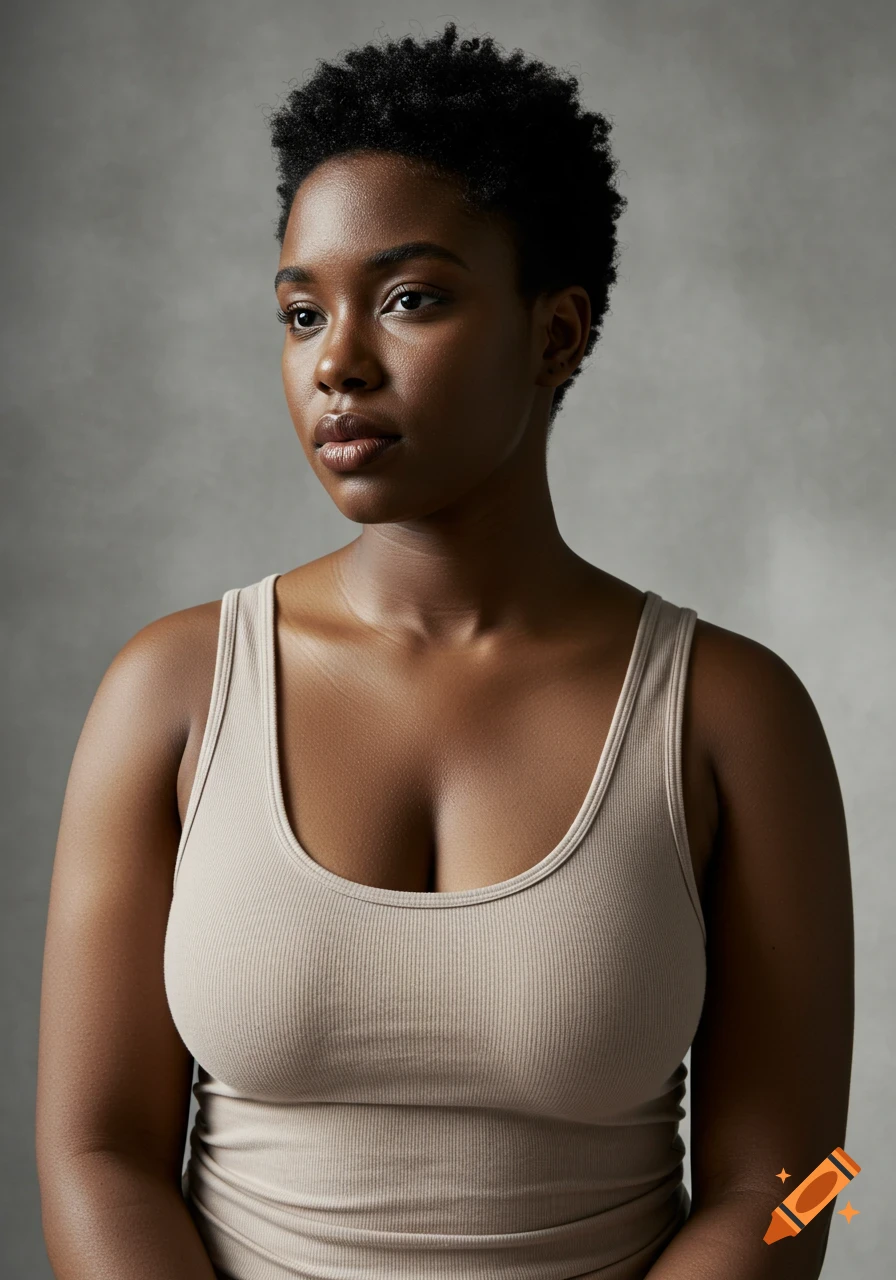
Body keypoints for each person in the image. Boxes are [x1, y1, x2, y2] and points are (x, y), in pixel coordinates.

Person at [35, 21, 854, 1280]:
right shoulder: (171, 688)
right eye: (301, 311)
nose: (336, 364)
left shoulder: (734, 714)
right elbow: (87, 1151)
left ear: (556, 333)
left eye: (409, 298)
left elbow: (808, 1182)